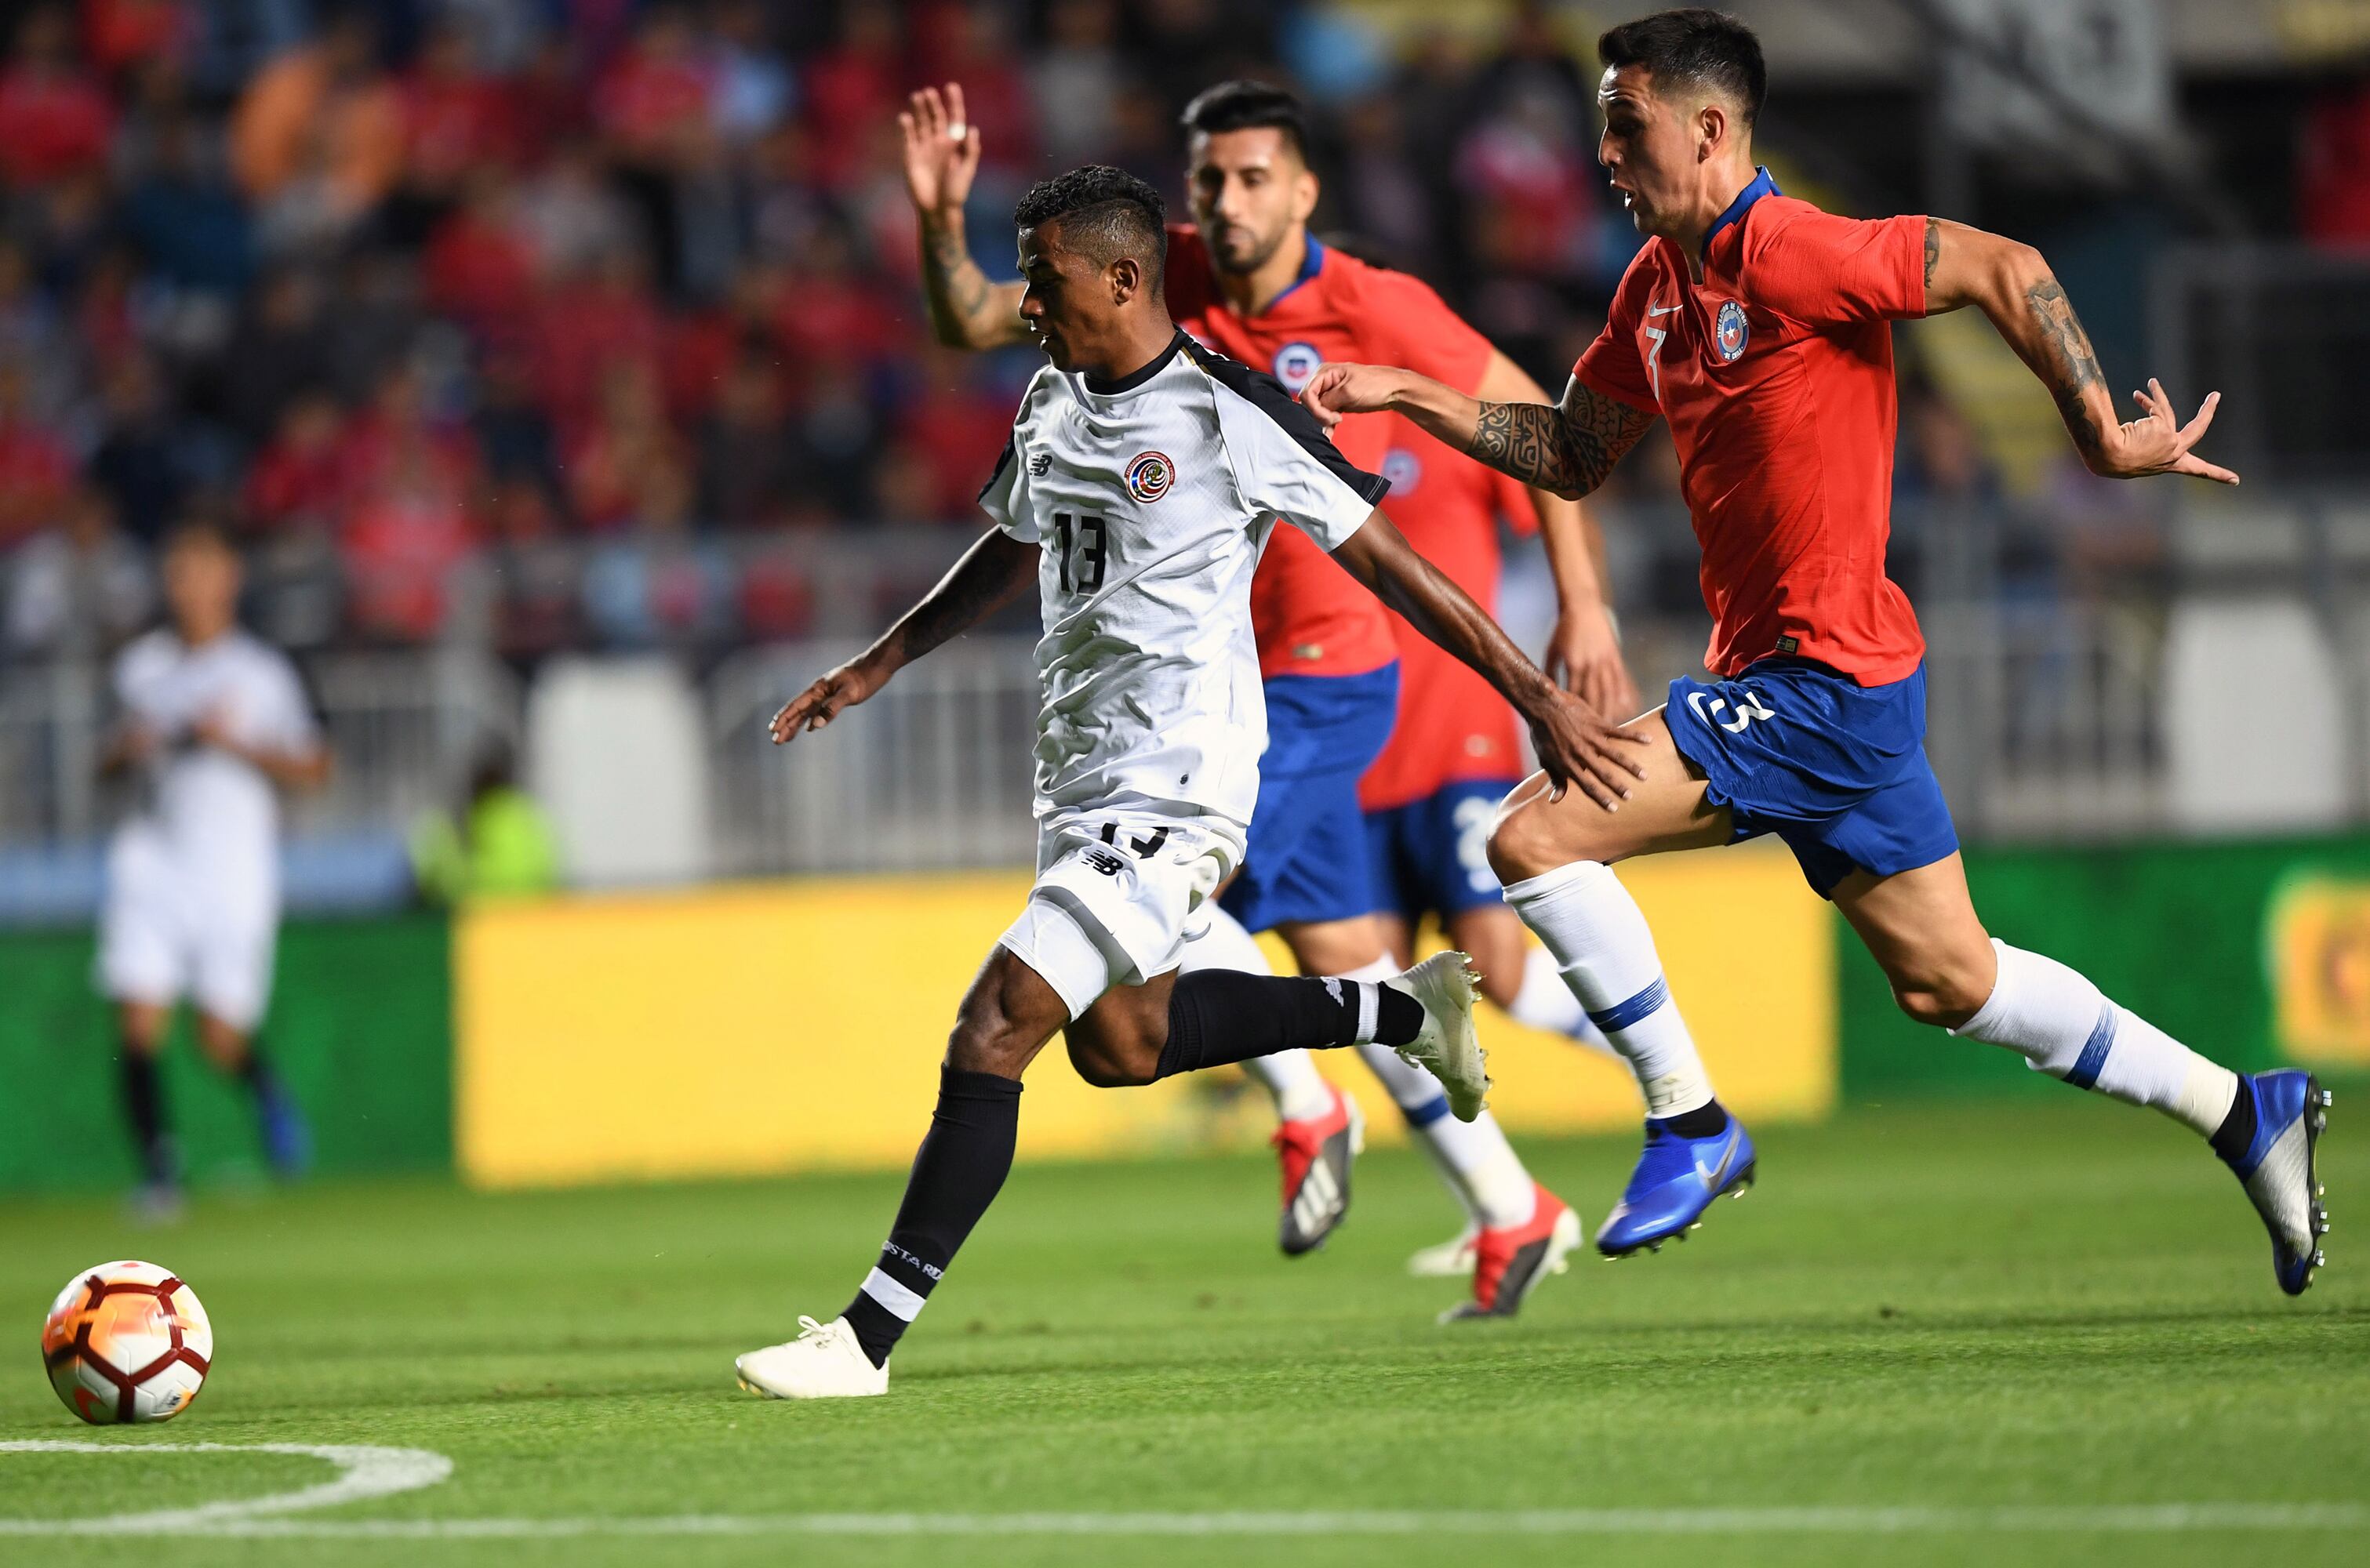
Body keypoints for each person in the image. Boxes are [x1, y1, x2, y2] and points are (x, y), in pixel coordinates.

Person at [1303, 8, 2327, 1293]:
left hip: (1821, 683)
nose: (1602, 152)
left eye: (1625, 125)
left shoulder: (1794, 251)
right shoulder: (1654, 288)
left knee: (1531, 837)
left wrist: (2098, 436)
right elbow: (1567, 452)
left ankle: (1688, 1120)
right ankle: (2243, 1111)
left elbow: (2002, 264)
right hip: (1822, 686)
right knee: (1951, 982)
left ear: (1708, 128)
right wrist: (1409, 393)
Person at [732, 166, 1634, 1399]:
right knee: (1123, 1044)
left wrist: (1537, 695)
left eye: (1042, 278)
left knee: (994, 1026)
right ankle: (1399, 1014)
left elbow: (1395, 566)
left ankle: (863, 1340)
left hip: (1177, 791)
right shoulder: (1049, 401)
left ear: (1122, 277)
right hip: (1077, 786)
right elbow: (1013, 538)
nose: (1026, 303)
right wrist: (877, 662)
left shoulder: (1228, 413)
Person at [98, 521, 330, 1220]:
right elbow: (102, 764)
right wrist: (129, 748)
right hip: (155, 858)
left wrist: (233, 744)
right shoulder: (142, 670)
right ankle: (160, 1173)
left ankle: (267, 1093)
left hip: (232, 865)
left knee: (217, 1036)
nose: (189, 588)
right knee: (137, 1019)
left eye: (202, 572)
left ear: (231, 578)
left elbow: (315, 765)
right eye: (178, 574)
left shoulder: (261, 673)